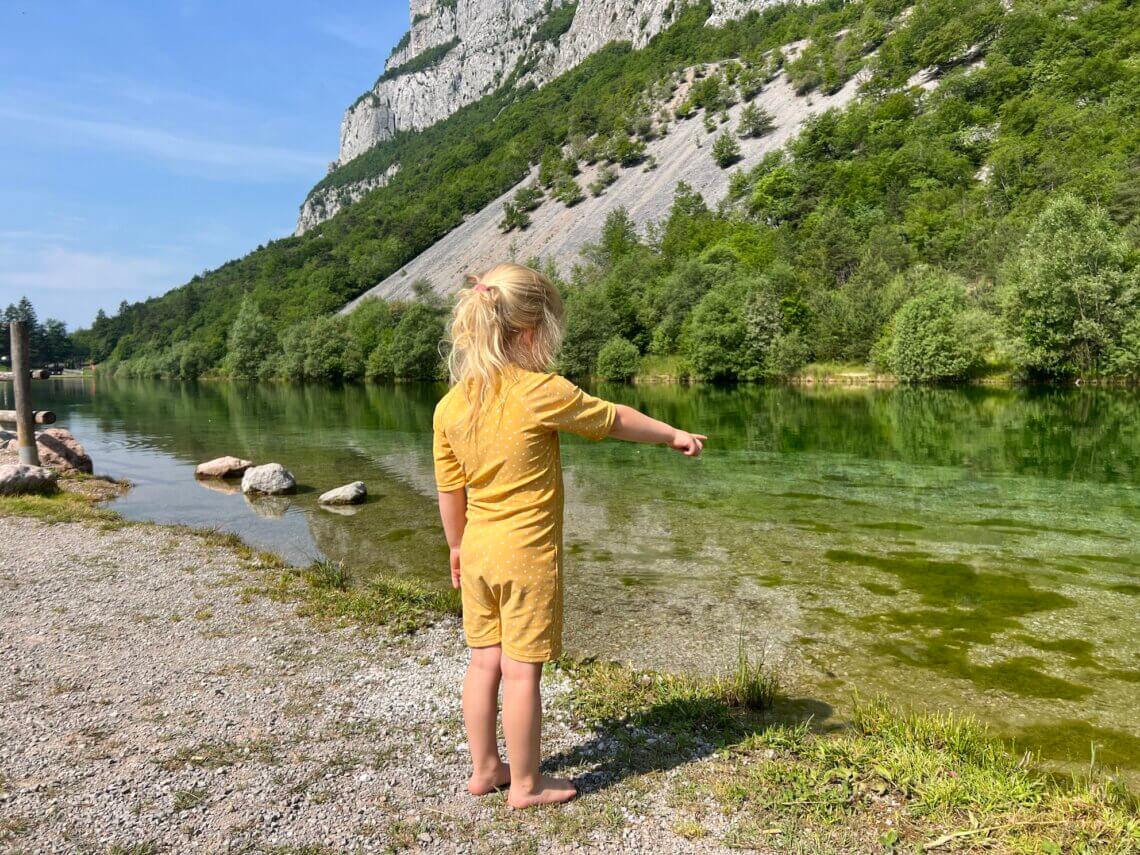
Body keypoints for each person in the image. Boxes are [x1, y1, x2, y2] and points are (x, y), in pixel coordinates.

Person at [432, 262, 706, 809]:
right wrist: (672, 433)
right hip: (527, 557)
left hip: (480, 551)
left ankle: (486, 769)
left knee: (483, 663)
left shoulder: (451, 404)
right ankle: (528, 785)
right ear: (532, 332)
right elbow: (613, 418)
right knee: (522, 672)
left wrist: (458, 547)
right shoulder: (540, 391)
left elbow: (449, 490)